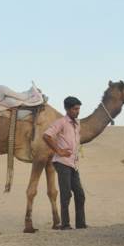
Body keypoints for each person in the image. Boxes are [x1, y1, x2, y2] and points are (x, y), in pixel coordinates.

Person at [43, 96, 87, 230]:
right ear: (67, 109)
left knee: (80, 194)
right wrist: (59, 151)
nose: (77, 111)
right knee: (66, 193)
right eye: (75, 109)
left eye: (78, 109)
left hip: (73, 163)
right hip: (62, 162)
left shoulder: (77, 123)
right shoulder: (60, 122)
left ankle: (80, 224)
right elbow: (46, 136)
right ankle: (65, 224)